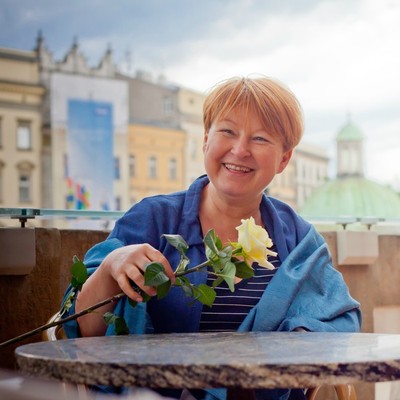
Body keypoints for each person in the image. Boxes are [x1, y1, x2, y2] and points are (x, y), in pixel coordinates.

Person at [62, 76, 362, 400]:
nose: (240, 150)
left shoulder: (299, 240)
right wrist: (109, 267)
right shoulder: (152, 219)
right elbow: (82, 334)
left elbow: (340, 323)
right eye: (227, 132)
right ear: (206, 139)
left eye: (260, 138)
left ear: (284, 159)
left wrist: (297, 342)